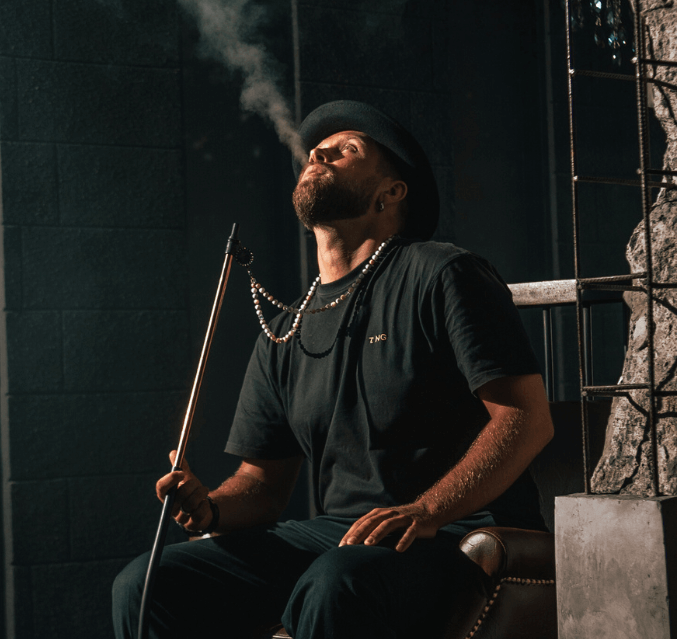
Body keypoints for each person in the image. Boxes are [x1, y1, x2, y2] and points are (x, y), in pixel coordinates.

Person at [112, 100, 554, 639]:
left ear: (390, 193)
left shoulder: (442, 274)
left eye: (349, 150)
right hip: (342, 538)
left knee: (335, 582)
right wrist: (211, 509)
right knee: (146, 582)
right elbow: (262, 484)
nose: (318, 151)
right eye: (315, 151)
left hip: (456, 533)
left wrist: (427, 508)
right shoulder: (284, 329)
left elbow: (525, 419)